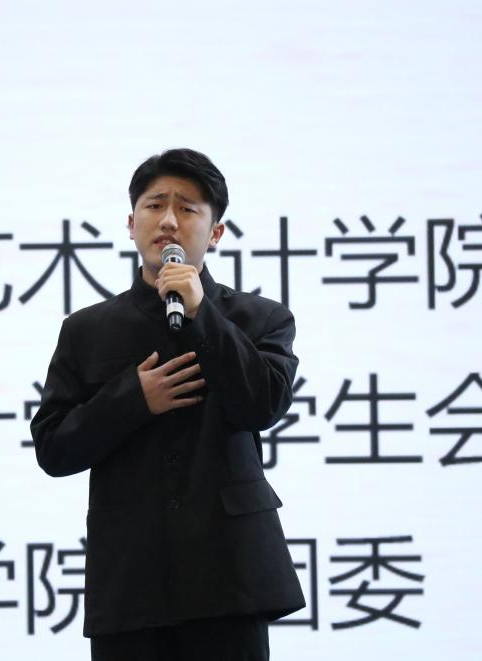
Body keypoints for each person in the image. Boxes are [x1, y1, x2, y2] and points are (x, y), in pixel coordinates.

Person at [31, 148, 305, 660]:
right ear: (131, 223)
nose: (169, 221)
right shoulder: (86, 330)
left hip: (229, 577)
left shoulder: (261, 319)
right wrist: (133, 399)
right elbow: (53, 447)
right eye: (155, 206)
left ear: (216, 232)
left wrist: (202, 313)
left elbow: (262, 405)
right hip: (130, 583)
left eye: (188, 208)